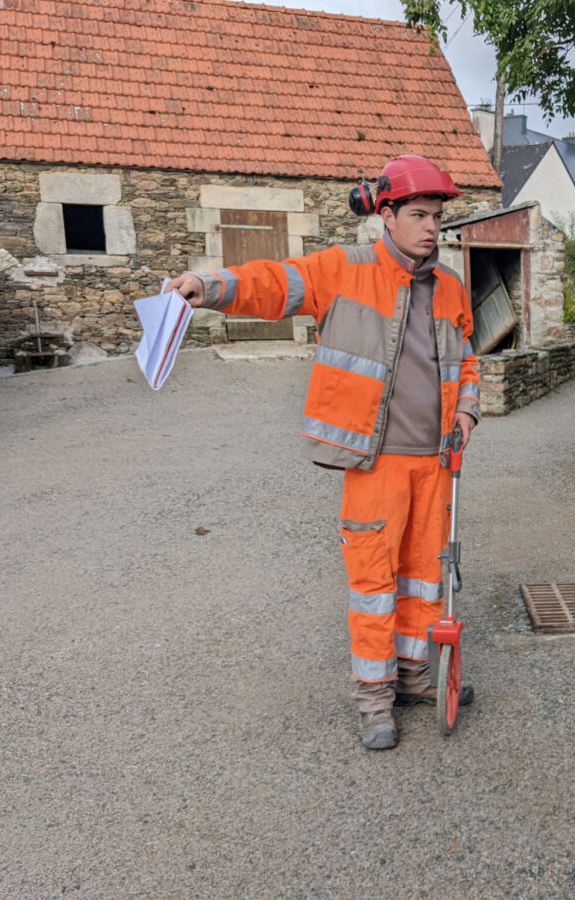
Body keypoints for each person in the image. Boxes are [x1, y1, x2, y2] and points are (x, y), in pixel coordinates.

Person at [167, 155, 482, 751]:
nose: (430, 228)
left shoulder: (450, 287)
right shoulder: (345, 269)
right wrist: (207, 287)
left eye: (436, 217)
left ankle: (416, 678)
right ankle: (374, 699)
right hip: (374, 461)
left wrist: (467, 408)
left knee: (423, 578)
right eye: (417, 215)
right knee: (374, 584)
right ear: (386, 216)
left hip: (436, 462)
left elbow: (467, 358)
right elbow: (274, 283)